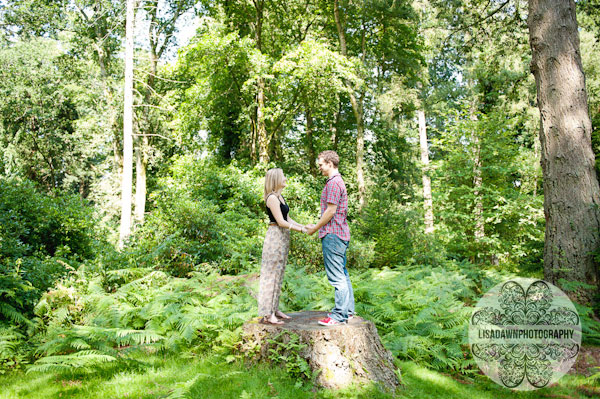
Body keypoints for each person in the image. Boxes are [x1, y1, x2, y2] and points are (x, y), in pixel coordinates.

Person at [305, 150, 355, 326]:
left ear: (330, 164)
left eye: (321, 164)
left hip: (333, 235)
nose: (319, 168)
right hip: (339, 234)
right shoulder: (336, 182)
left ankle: (339, 316)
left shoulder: (334, 183)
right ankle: (348, 312)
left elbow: (331, 211)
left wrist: (315, 228)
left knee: (337, 277)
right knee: (342, 274)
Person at [258, 168, 306, 325]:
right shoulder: (272, 198)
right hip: (275, 237)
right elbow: (281, 222)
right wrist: (302, 230)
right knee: (271, 275)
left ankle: (275, 309)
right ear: (276, 179)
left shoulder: (280, 197)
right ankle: (267, 313)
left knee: (279, 273)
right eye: (283, 176)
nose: (285, 178)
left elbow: (288, 219)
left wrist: (304, 226)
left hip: (283, 237)